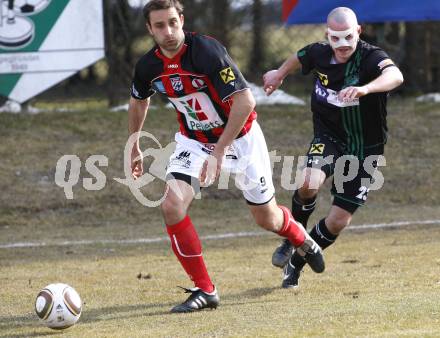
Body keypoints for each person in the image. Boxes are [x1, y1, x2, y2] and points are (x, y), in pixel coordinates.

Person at [128, 0, 324, 313]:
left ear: (182, 20)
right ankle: (205, 290)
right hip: (194, 142)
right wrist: (135, 143)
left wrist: (219, 151)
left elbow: (246, 102)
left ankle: (299, 237)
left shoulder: (206, 52)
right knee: (171, 204)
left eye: (172, 23)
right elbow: (139, 100)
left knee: (267, 218)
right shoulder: (148, 66)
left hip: (241, 140)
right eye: (160, 26)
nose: (168, 32)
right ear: (150, 29)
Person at [263, 7, 403, 289]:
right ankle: (292, 237)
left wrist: (366, 89)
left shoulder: (370, 57)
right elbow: (299, 57)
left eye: (348, 37)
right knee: (307, 182)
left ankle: (296, 263)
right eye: (335, 38)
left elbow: (396, 76)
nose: (342, 45)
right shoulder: (319, 53)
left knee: (338, 221)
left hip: (365, 148)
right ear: (328, 35)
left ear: (358, 32)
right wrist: (279, 74)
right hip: (329, 137)